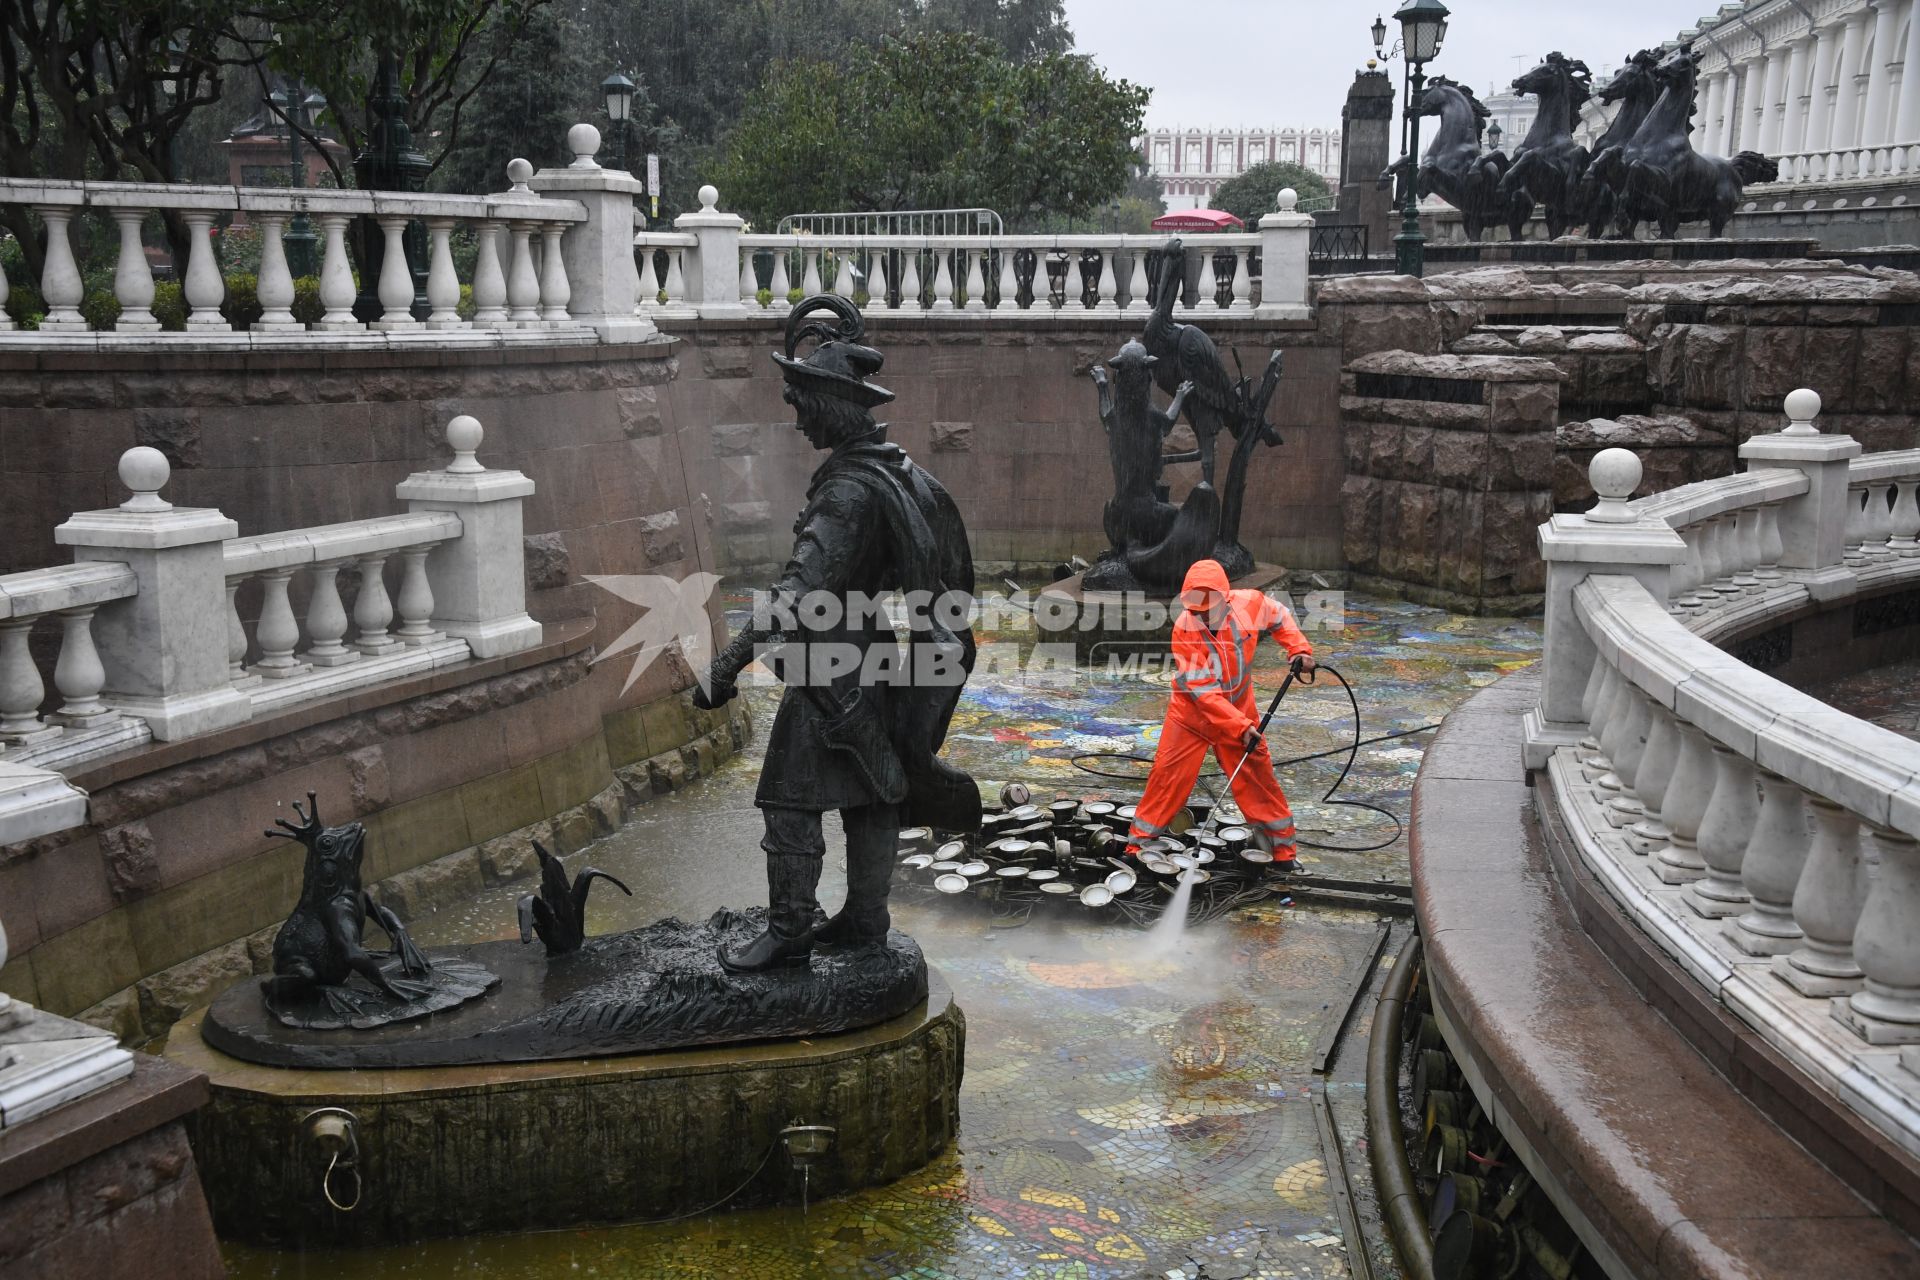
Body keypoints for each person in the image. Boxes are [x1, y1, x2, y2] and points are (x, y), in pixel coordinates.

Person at [693, 296, 979, 973]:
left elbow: (798, 594)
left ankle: (791, 927)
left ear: (831, 402)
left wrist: (727, 664)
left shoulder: (849, 492)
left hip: (831, 670)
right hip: (875, 654)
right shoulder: (897, 468)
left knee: (789, 803)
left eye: (801, 402)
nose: (796, 417)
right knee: (872, 791)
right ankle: (865, 922)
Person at [1124, 558, 1315, 872]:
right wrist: (1239, 727)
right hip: (1191, 718)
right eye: (1194, 606)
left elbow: (1281, 616)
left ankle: (1282, 855)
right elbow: (1204, 693)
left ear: (1224, 598)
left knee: (1258, 782)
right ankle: (1139, 847)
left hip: (1240, 712)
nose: (1199, 613)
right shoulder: (1185, 630)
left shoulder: (1250, 604)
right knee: (1167, 780)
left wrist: (1299, 650)